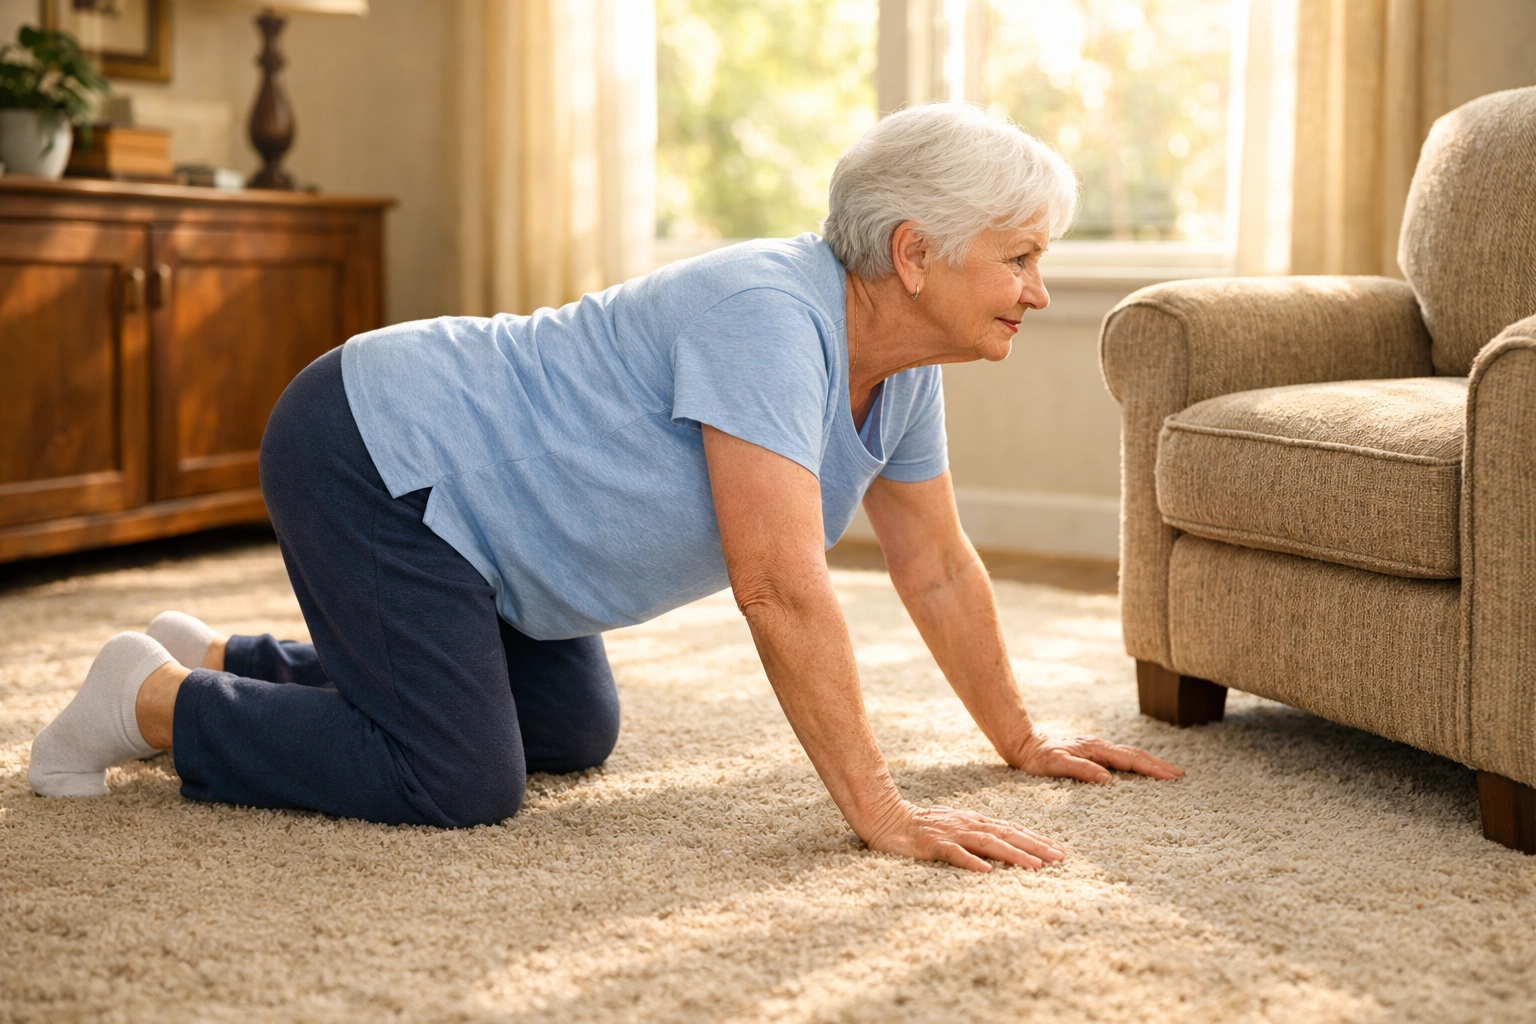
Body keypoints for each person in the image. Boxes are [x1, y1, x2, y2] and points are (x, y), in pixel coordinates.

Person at [29, 103, 1181, 872]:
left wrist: (1020, 735)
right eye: (1019, 257)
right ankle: (151, 699)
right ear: (917, 255)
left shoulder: (901, 367)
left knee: (571, 728)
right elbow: (779, 588)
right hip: (380, 452)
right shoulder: (767, 314)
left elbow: (934, 565)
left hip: (491, 542)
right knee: (459, 779)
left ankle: (234, 655)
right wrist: (881, 811)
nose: (1037, 290)